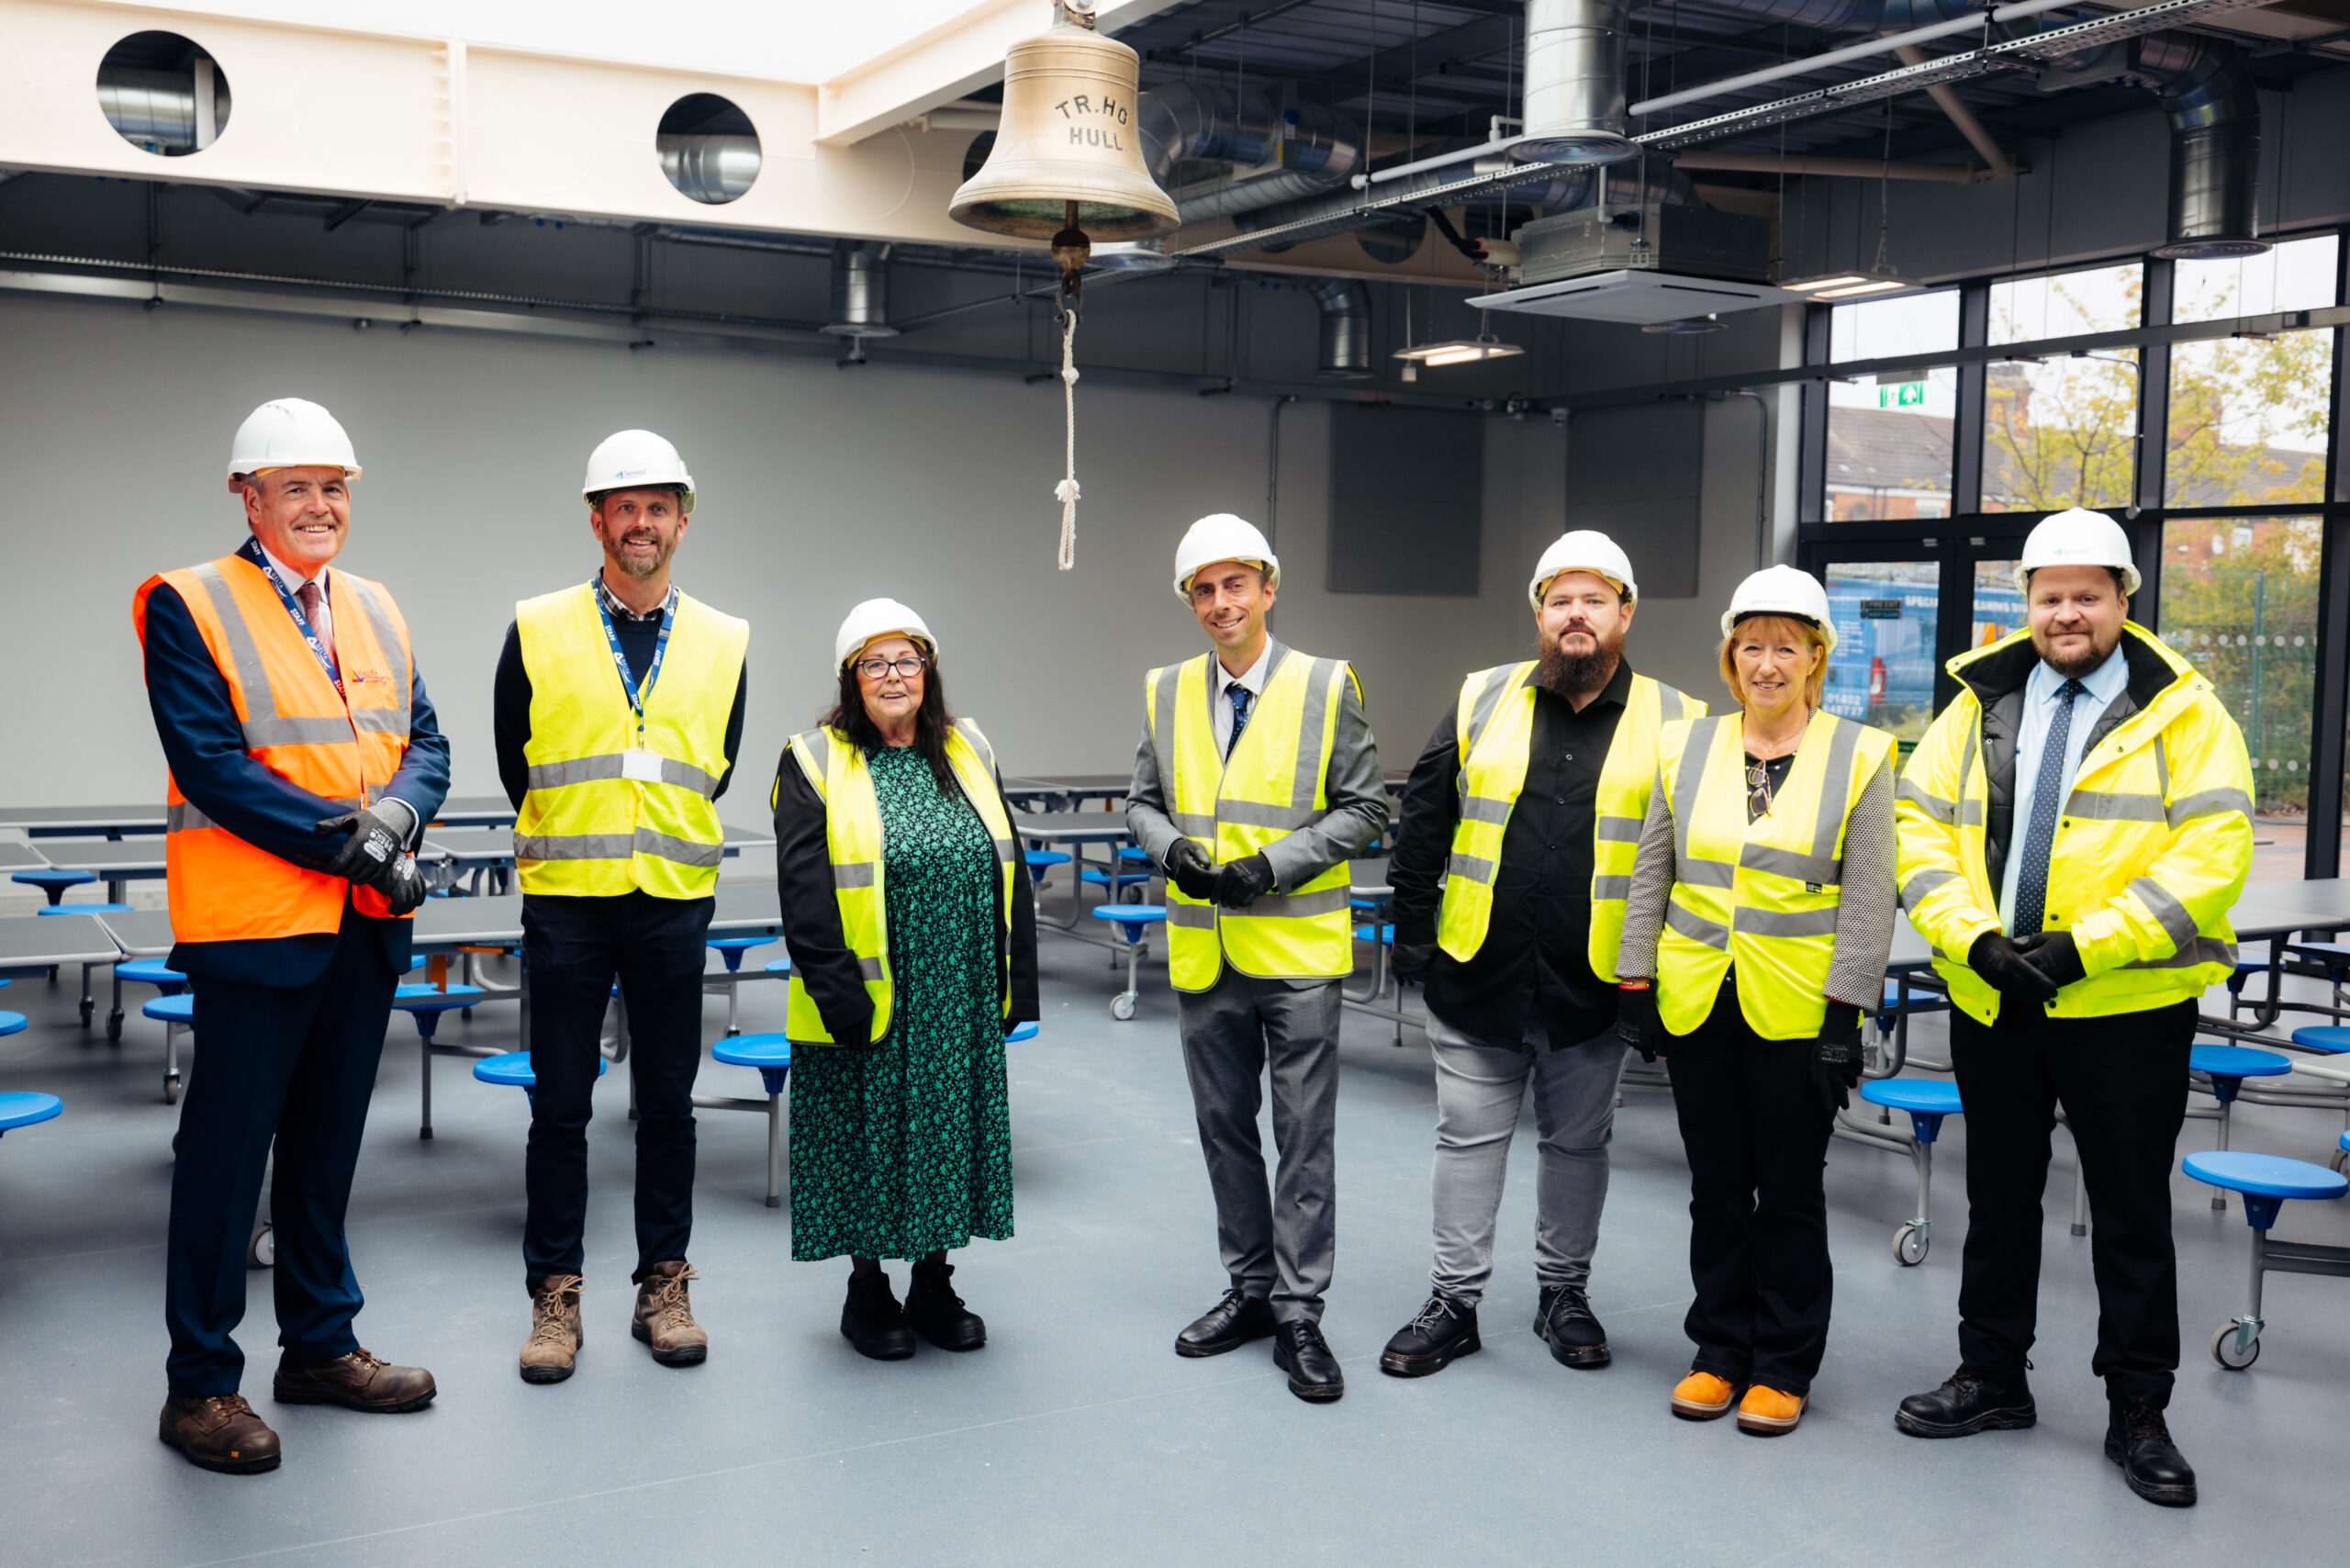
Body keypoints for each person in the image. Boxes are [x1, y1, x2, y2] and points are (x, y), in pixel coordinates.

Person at [1892, 509, 2252, 1507]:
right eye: (2048, 594)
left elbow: (2211, 856)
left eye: (2086, 593)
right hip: (1994, 992)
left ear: (2123, 599)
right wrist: (1973, 936)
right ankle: (1992, 1376)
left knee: (2131, 1211)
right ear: (2026, 600)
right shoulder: (1977, 704)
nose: (2065, 612)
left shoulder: (2185, 711)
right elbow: (1918, 824)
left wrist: (2082, 946)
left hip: (2126, 1005)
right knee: (1997, 1198)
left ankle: (2138, 1408)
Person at [133, 398, 449, 1474]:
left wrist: (396, 819)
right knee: (224, 1162)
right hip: (256, 929)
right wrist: (350, 847)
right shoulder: (190, 603)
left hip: (360, 931)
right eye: (298, 486)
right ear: (248, 495)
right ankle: (200, 1387)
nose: (321, 506)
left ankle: (318, 1345)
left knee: (324, 1150)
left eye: (336, 487)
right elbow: (212, 765)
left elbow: (429, 740)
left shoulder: (374, 605)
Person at [1378, 532, 1703, 1378]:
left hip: (1595, 983)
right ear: (1539, 615)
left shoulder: (1680, 720)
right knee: (1466, 1141)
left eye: (1594, 600)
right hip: (1478, 970)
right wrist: (1410, 929)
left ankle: (1565, 1294)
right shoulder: (1482, 696)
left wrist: (1655, 978)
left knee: (1577, 1146)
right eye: (1561, 601)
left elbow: (1693, 859)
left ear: (1625, 614)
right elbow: (1425, 812)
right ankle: (1455, 1301)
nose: (1576, 615)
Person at [1615, 565, 1897, 1437]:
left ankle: (1782, 1364)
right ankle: (1717, 1352)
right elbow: (1652, 868)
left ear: (1816, 659)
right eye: (1750, 646)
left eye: (1786, 647)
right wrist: (1636, 982)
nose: (1766, 664)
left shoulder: (1861, 754)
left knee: (1789, 1192)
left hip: (1799, 1011)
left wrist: (1845, 1017)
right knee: (1715, 1189)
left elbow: (1868, 894)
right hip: (1700, 998)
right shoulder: (1687, 745)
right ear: (1729, 656)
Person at [495, 430, 749, 1383]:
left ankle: (663, 1289)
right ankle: (555, 1296)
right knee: (559, 1107)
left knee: (668, 1107)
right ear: (597, 519)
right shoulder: (537, 625)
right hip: (566, 899)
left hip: (673, 899)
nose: (640, 523)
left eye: (658, 506)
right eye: (623, 506)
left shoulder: (723, 639)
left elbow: (713, 761)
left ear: (683, 520)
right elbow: (514, 756)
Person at [1128, 513, 1387, 1404]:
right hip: (1205, 954)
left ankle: (1298, 1312)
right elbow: (1141, 800)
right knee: (1224, 1131)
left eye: (1234, 583)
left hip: (1296, 954)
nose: (1218, 602)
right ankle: (1247, 1291)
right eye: (1202, 589)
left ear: (1268, 588)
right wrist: (1171, 851)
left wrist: (1270, 867)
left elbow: (1365, 809)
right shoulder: (1164, 691)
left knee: (1303, 1139)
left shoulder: (1325, 684)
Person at [772, 599, 1037, 1360]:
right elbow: (805, 887)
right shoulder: (814, 757)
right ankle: (867, 1291)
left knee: (945, 1137)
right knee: (865, 1137)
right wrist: (836, 993)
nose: (894, 676)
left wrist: (1015, 982)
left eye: (907, 661)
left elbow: (1006, 863)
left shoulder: (968, 747)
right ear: (850, 678)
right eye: (875, 663)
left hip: (956, 990)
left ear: (929, 671)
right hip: (868, 993)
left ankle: (934, 1280)